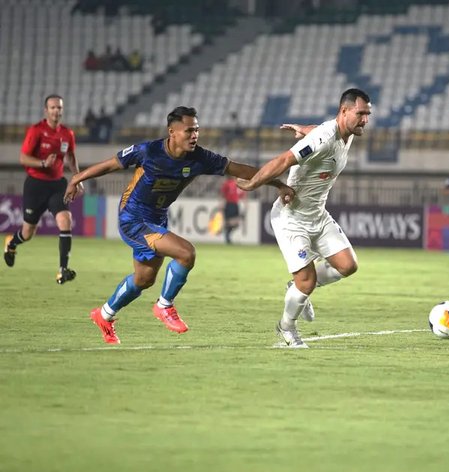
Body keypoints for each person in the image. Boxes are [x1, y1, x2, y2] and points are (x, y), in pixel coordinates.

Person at [64, 106, 294, 345]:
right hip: (133, 218)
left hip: (157, 218)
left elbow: (240, 169)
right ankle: (164, 306)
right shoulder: (148, 151)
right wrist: (76, 178)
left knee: (144, 279)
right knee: (186, 253)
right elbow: (110, 165)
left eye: (196, 130)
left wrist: (278, 184)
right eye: (188, 131)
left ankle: (104, 315)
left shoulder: (201, 158)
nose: (194, 135)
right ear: (171, 132)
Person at [236, 88, 372, 348]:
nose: (365, 119)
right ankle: (286, 328)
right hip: (292, 218)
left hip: (318, 216)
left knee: (348, 265)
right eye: (361, 113)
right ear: (344, 111)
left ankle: (295, 286)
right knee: (307, 281)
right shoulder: (325, 136)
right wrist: (254, 183)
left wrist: (303, 129)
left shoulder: (345, 132)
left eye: (368, 114)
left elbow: (319, 131)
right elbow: (285, 159)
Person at [3, 94, 84, 283]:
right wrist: (42, 162)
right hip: (36, 185)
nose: (56, 111)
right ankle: (12, 243)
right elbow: (23, 158)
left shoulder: (67, 134)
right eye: (53, 107)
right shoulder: (36, 131)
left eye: (59, 108)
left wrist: (79, 178)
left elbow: (71, 157)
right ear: (46, 110)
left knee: (66, 221)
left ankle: (62, 270)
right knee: (27, 233)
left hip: (57, 184)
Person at [220, 176, 246, 244]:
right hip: (229, 204)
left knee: (236, 223)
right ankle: (227, 235)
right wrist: (222, 203)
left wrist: (245, 203)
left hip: (235, 204)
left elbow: (242, 194)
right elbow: (223, 194)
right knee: (231, 221)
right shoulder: (227, 183)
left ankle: (226, 230)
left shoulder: (238, 184)